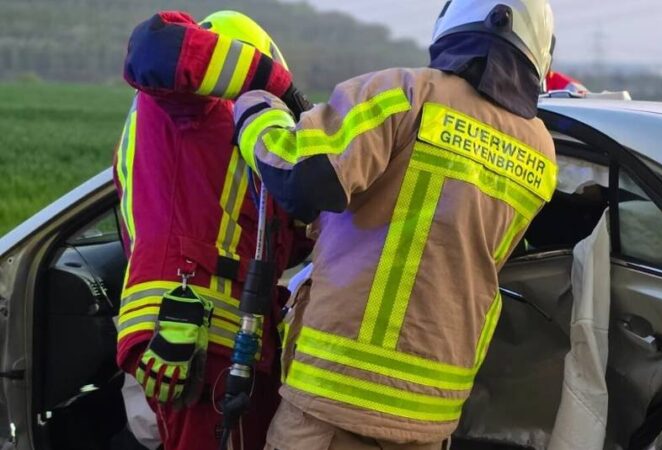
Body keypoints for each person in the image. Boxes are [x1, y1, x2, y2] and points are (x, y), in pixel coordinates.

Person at [232, 0, 559, 448]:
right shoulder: (541, 150)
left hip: (337, 401)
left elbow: (303, 177)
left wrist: (256, 111)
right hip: (432, 413)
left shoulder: (409, 92)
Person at [112, 10, 312, 450]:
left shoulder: (222, 138)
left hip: (230, 338)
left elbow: (275, 240)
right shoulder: (187, 103)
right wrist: (281, 89)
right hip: (191, 329)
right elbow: (155, 45)